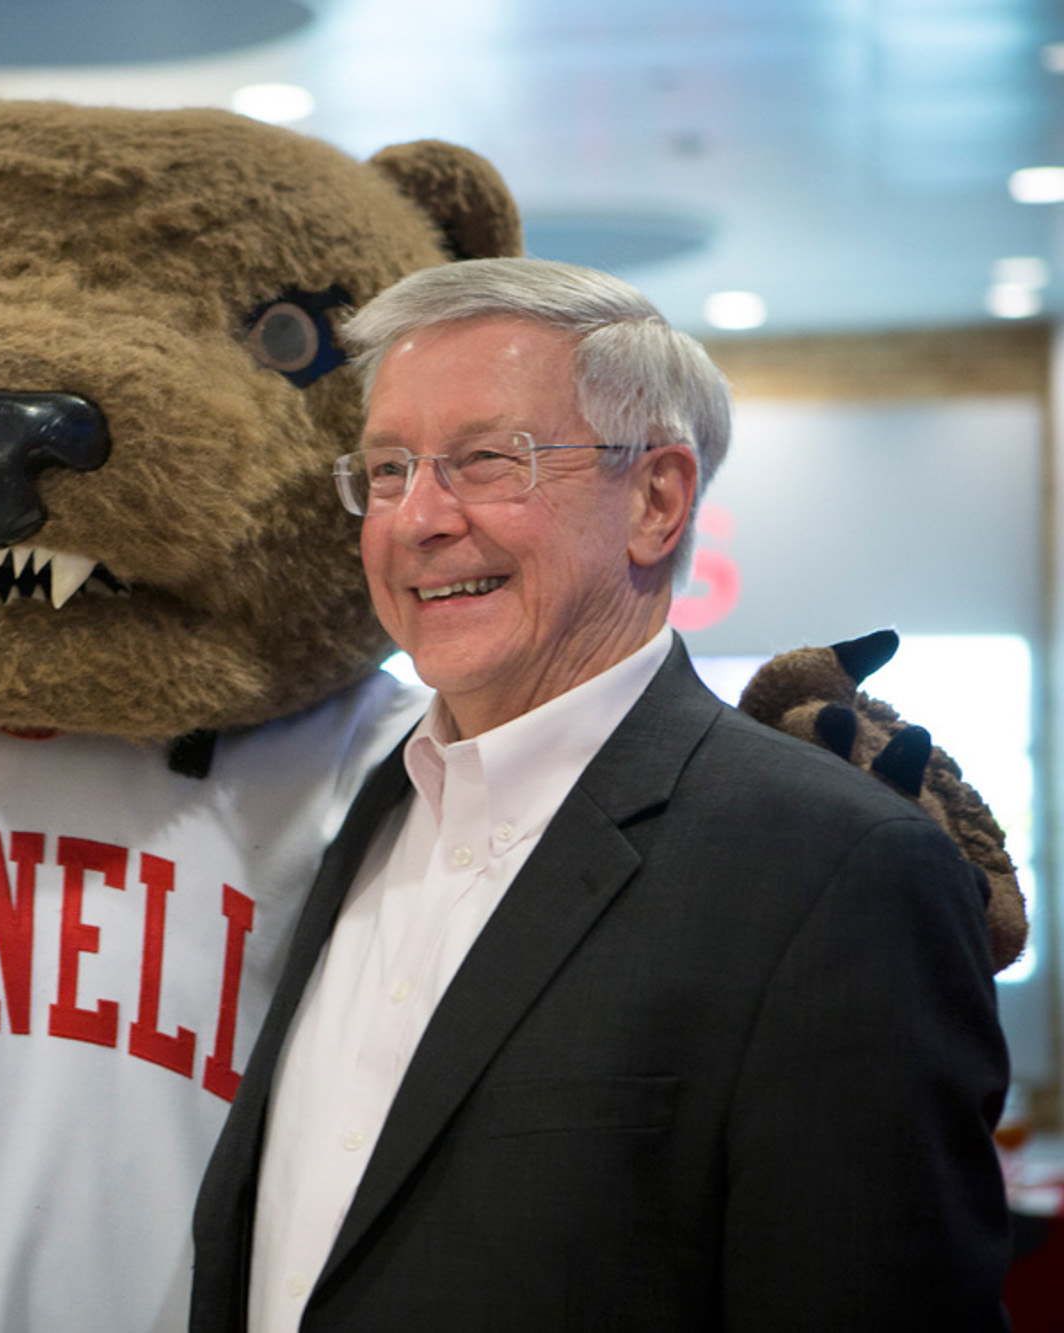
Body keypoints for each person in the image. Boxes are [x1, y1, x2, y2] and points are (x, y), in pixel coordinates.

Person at [188, 257, 1011, 1331]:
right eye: (387, 469)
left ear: (655, 500)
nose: (415, 519)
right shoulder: (375, 813)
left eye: (486, 461)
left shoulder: (834, 871)